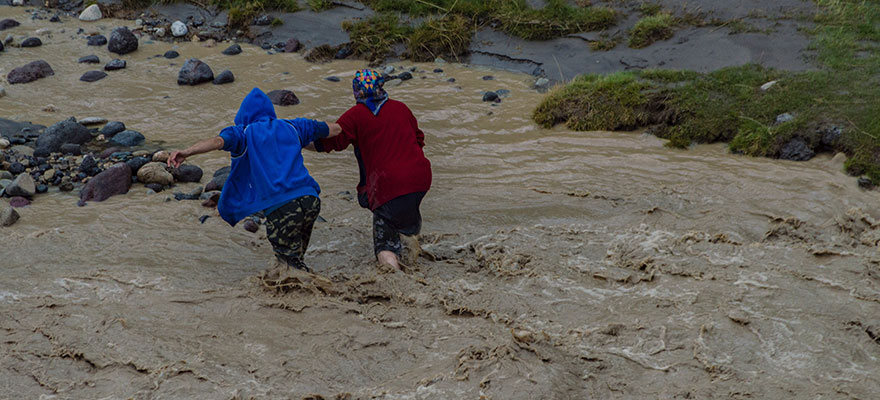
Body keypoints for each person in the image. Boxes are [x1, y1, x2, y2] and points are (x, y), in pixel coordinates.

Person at [168, 87, 341, 272]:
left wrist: (186, 152)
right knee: (295, 257)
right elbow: (335, 129)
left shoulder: (243, 133)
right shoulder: (294, 126)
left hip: (282, 207)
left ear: (244, 114)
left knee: (288, 266)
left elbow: (217, 142)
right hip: (310, 200)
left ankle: (316, 292)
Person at [311, 69, 432, 270]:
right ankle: (411, 258)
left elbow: (329, 142)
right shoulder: (401, 108)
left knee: (384, 246)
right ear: (380, 87)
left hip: (388, 185)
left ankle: (397, 282)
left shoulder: (355, 115)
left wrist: (296, 141)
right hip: (420, 178)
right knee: (405, 225)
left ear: (356, 91)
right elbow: (419, 138)